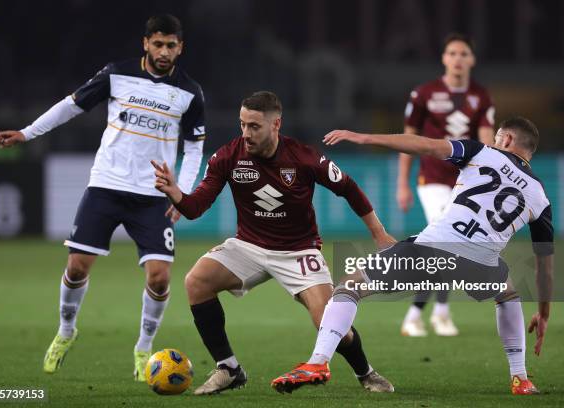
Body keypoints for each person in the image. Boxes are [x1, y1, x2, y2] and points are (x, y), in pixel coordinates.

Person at [273, 117, 553, 395]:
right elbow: (544, 266)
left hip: (432, 250)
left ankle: (318, 362)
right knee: (507, 294)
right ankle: (520, 378)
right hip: (480, 264)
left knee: (349, 287)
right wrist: (542, 313)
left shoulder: (482, 152)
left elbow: (426, 146)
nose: (493, 141)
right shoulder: (540, 197)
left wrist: (366, 137)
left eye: (497, 138)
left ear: (506, 140)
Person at [0, 14, 206, 381]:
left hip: (152, 196)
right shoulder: (116, 74)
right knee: (76, 267)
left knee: (159, 278)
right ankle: (65, 331)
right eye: (158, 44)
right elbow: (71, 105)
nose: (164, 51)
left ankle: (143, 349)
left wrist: (181, 193)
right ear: (146, 43)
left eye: (171, 45)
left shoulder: (189, 92)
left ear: (180, 47)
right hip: (106, 185)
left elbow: (194, 147)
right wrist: (28, 133)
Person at [152, 91, 396, 395]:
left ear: (276, 124)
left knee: (332, 323)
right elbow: (195, 208)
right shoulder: (228, 156)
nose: (246, 133)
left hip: (298, 250)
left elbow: (348, 187)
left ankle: (366, 373)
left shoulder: (303, 157)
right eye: (242, 124)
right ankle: (229, 368)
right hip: (249, 246)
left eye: (254, 126)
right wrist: (176, 193)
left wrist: (378, 233)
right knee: (196, 281)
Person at [397, 33, 496, 337]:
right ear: (444, 58)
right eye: (452, 52)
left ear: (472, 60)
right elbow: (408, 140)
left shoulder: (481, 96)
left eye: (464, 53)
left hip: (466, 184)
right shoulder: (424, 94)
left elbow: (488, 143)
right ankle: (427, 315)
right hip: (433, 180)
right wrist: (402, 183)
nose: (458, 58)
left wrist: (488, 182)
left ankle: (423, 315)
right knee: (448, 243)